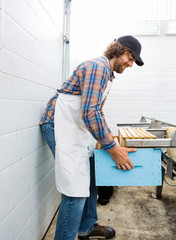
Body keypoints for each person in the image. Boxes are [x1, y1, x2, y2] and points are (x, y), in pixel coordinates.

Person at [40, 35, 144, 240]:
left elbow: (96, 111)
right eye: (131, 59)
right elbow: (90, 113)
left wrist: (106, 138)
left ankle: (86, 228)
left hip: (74, 128)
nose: (131, 64)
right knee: (75, 189)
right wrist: (112, 148)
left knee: (91, 179)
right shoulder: (98, 67)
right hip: (58, 126)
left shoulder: (107, 73)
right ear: (121, 51)